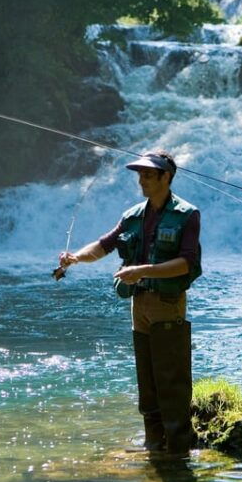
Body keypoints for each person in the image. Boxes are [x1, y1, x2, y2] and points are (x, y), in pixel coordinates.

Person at [58, 151, 201, 455]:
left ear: (167, 177)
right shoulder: (133, 215)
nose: (142, 180)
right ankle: (152, 443)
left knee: (171, 378)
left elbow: (187, 263)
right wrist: (75, 258)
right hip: (139, 306)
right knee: (147, 378)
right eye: (140, 175)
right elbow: (105, 244)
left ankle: (177, 448)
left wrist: (141, 271)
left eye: (149, 175)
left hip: (168, 302)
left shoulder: (188, 214)